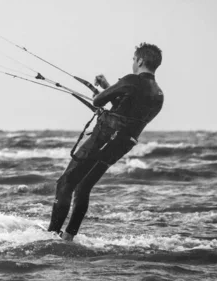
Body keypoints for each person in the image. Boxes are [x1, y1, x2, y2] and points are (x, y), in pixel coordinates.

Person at [47, 42, 164, 241]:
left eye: (134, 60)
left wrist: (102, 91)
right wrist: (108, 85)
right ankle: (68, 236)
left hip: (102, 140)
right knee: (83, 187)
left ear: (141, 60)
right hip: (119, 147)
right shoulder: (158, 94)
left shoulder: (131, 80)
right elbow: (127, 108)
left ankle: (51, 236)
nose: (133, 64)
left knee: (66, 183)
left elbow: (98, 101)